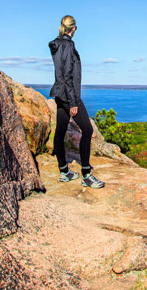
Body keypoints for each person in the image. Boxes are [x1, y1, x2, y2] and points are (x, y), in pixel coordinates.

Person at [48, 15, 105, 188]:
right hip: (68, 95)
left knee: (60, 131)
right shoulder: (68, 45)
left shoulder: (56, 45)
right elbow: (67, 75)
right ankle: (86, 175)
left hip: (59, 93)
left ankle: (64, 171)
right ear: (73, 29)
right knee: (87, 130)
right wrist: (73, 102)